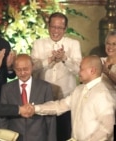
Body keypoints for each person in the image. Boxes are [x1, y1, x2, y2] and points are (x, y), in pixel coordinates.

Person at [33, 55, 115, 141]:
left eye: (81, 69)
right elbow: (60, 106)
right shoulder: (79, 90)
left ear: (92, 70)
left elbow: (107, 128)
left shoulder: (102, 94)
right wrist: (35, 108)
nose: (79, 72)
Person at [30, 12, 82, 140]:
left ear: (65, 29)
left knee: (64, 133)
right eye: (53, 27)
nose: (55, 31)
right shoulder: (38, 44)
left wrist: (65, 58)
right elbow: (33, 69)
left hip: (66, 98)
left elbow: (79, 71)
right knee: (44, 134)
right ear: (48, 26)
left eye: (59, 28)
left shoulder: (73, 44)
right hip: (43, 98)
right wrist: (49, 60)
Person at [0, 54, 57, 141]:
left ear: (32, 67)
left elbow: (50, 119)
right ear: (14, 69)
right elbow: (3, 117)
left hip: (39, 137)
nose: (22, 73)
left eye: (26, 69)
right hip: (14, 137)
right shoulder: (6, 89)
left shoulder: (45, 87)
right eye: (18, 70)